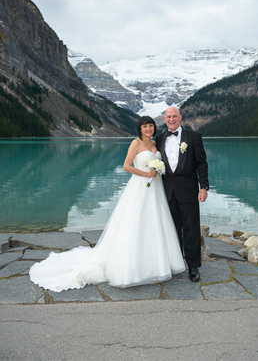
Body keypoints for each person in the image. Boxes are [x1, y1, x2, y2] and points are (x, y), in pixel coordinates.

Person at [29, 116, 186, 292]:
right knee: (135, 223)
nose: (148, 129)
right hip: (140, 188)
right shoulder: (136, 144)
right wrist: (145, 174)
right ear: (140, 129)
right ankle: (132, 267)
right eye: (144, 126)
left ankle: (157, 263)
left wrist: (156, 171)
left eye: (150, 126)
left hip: (155, 190)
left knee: (156, 223)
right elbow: (126, 166)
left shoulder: (155, 145)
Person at [156, 106, 209, 283]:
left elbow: (201, 163)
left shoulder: (194, 137)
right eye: (168, 117)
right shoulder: (159, 139)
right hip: (167, 191)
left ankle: (193, 266)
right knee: (172, 229)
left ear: (180, 117)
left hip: (189, 190)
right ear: (164, 119)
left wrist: (204, 187)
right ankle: (176, 263)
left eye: (174, 116)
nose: (171, 119)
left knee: (191, 228)